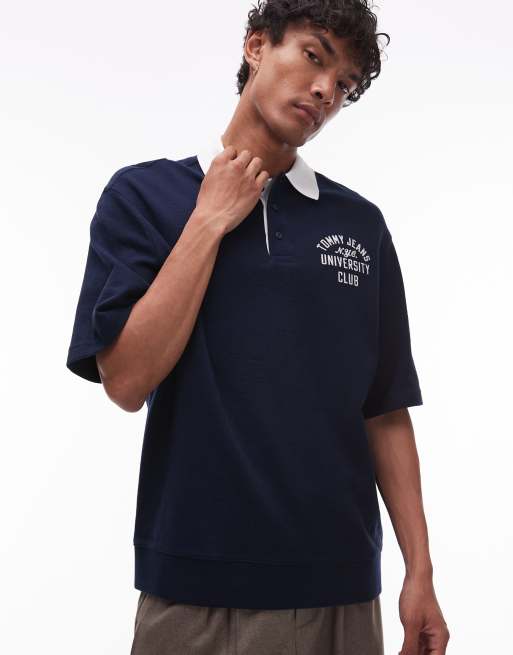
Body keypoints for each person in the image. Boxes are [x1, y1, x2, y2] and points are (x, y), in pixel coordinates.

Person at [66, 1, 450, 653]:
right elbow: (125, 381)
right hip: (194, 589)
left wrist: (420, 572)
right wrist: (208, 220)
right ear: (256, 46)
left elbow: (384, 409)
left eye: (345, 84)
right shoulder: (144, 197)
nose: (326, 90)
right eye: (313, 56)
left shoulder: (358, 225)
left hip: (341, 589)